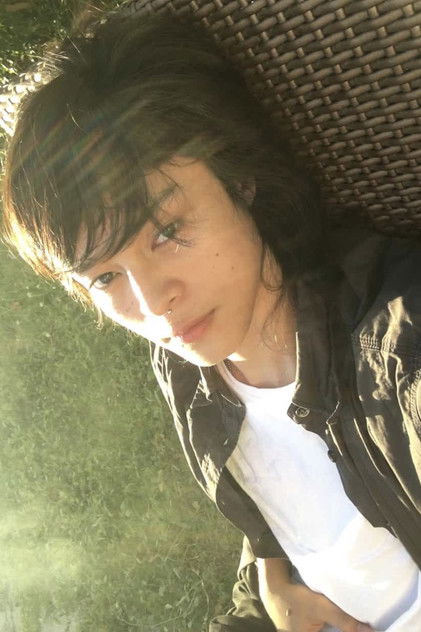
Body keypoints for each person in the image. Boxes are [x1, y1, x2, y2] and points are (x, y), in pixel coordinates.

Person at [2, 12, 421, 632]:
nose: (154, 305)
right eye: (105, 277)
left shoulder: (399, 356)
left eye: (168, 230)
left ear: (238, 176)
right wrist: (270, 576)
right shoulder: (187, 371)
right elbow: (281, 503)